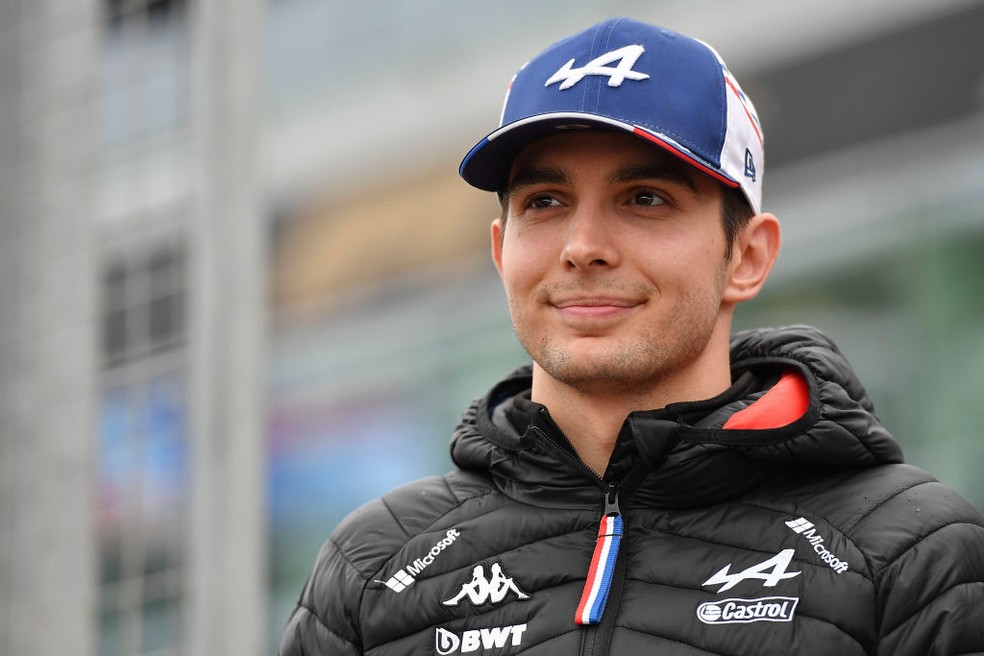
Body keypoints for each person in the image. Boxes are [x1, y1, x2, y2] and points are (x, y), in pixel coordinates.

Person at [280, 17, 984, 655]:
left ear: (747, 256)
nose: (583, 246)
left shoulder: (908, 553)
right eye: (545, 202)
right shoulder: (376, 565)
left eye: (644, 199)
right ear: (501, 252)